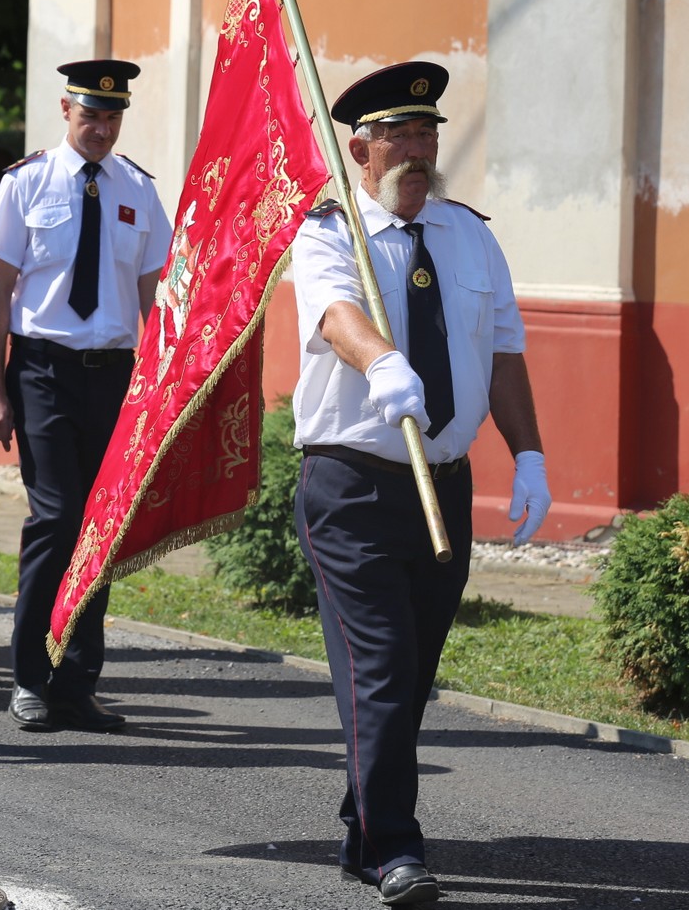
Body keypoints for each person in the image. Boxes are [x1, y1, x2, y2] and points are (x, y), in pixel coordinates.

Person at [290, 61, 550, 905]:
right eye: (398, 136)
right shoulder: (332, 231)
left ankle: (366, 816)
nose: (416, 150)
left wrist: (530, 453)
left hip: (442, 481)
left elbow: (503, 351)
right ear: (358, 148)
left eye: (426, 133)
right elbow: (336, 315)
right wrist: (383, 360)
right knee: (382, 661)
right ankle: (396, 848)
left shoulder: (469, 235)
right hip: (352, 485)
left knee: (411, 671)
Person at [0, 59, 172, 732]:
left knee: (103, 524)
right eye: (91, 115)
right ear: (66, 110)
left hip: (114, 375)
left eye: (112, 117)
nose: (101, 128)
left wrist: (161, 384)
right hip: (44, 371)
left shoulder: (139, 190)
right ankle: (31, 675)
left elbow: (154, 297)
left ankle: (77, 681)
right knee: (58, 518)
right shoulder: (27, 183)